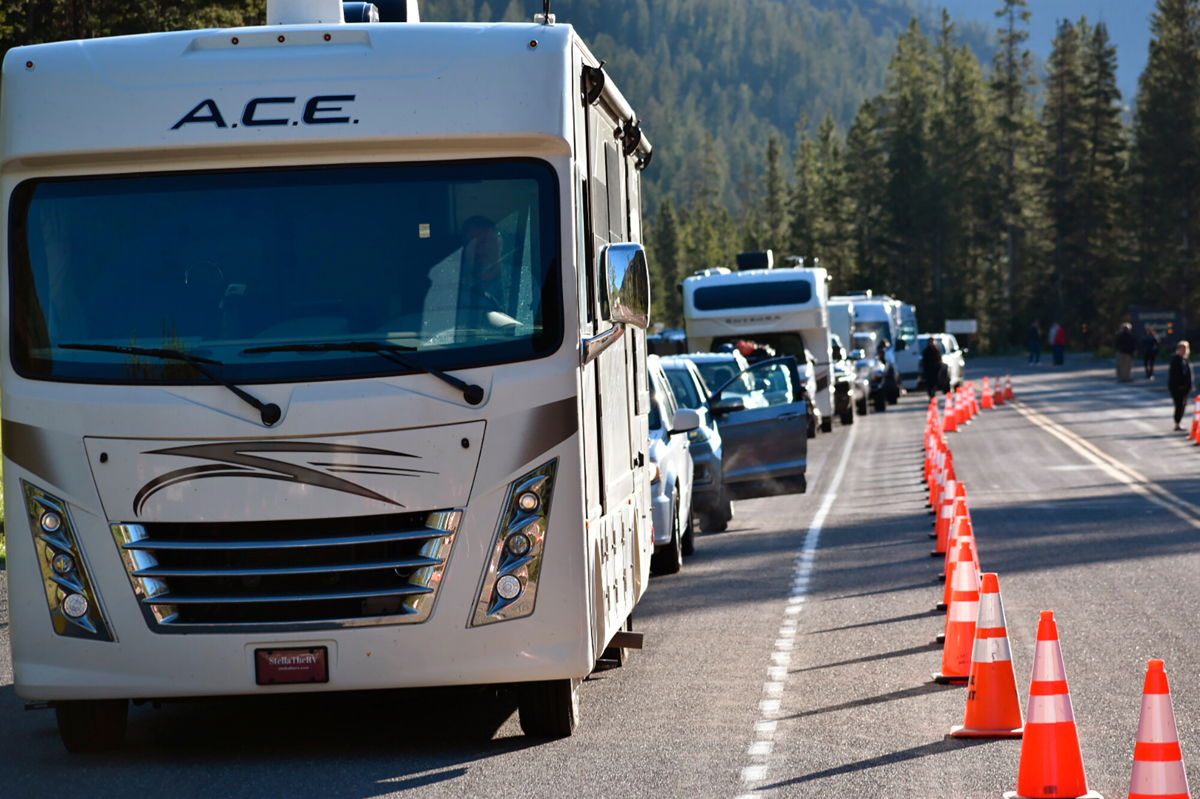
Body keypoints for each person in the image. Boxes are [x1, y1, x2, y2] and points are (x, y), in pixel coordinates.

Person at [1168, 340, 1193, 431]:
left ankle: (1178, 422)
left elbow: (1188, 374)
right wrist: (1179, 386)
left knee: (1183, 405)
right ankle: (1177, 423)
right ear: (1178, 349)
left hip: (1185, 387)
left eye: (1185, 349)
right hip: (1177, 387)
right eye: (1182, 349)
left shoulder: (1185, 360)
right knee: (1179, 405)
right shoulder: (1175, 360)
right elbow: (1175, 375)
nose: (1184, 351)